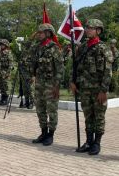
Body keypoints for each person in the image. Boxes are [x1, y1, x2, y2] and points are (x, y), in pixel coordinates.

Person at [71, 19, 113, 155]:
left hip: (98, 89)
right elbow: (76, 66)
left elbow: (108, 71)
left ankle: (97, 143)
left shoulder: (103, 48)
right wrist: (73, 82)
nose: (87, 30)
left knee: (99, 116)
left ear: (98, 31)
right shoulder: (82, 47)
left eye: (91, 28)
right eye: (87, 27)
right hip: (84, 88)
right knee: (88, 116)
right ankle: (89, 141)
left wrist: (104, 90)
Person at [32, 23, 64, 146]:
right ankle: (43, 132)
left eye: (41, 33)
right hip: (39, 83)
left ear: (48, 33)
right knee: (40, 109)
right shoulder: (37, 47)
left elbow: (60, 69)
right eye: (38, 32)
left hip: (51, 84)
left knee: (52, 110)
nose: (38, 35)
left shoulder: (54, 48)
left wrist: (57, 86)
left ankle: (50, 134)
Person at [0, 39, 13, 105]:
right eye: (1, 45)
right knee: (1, 85)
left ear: (6, 45)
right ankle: (2, 99)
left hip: (5, 71)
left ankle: (6, 99)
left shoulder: (8, 53)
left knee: (5, 86)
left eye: (2, 44)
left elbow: (11, 64)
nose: (1, 46)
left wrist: (8, 73)